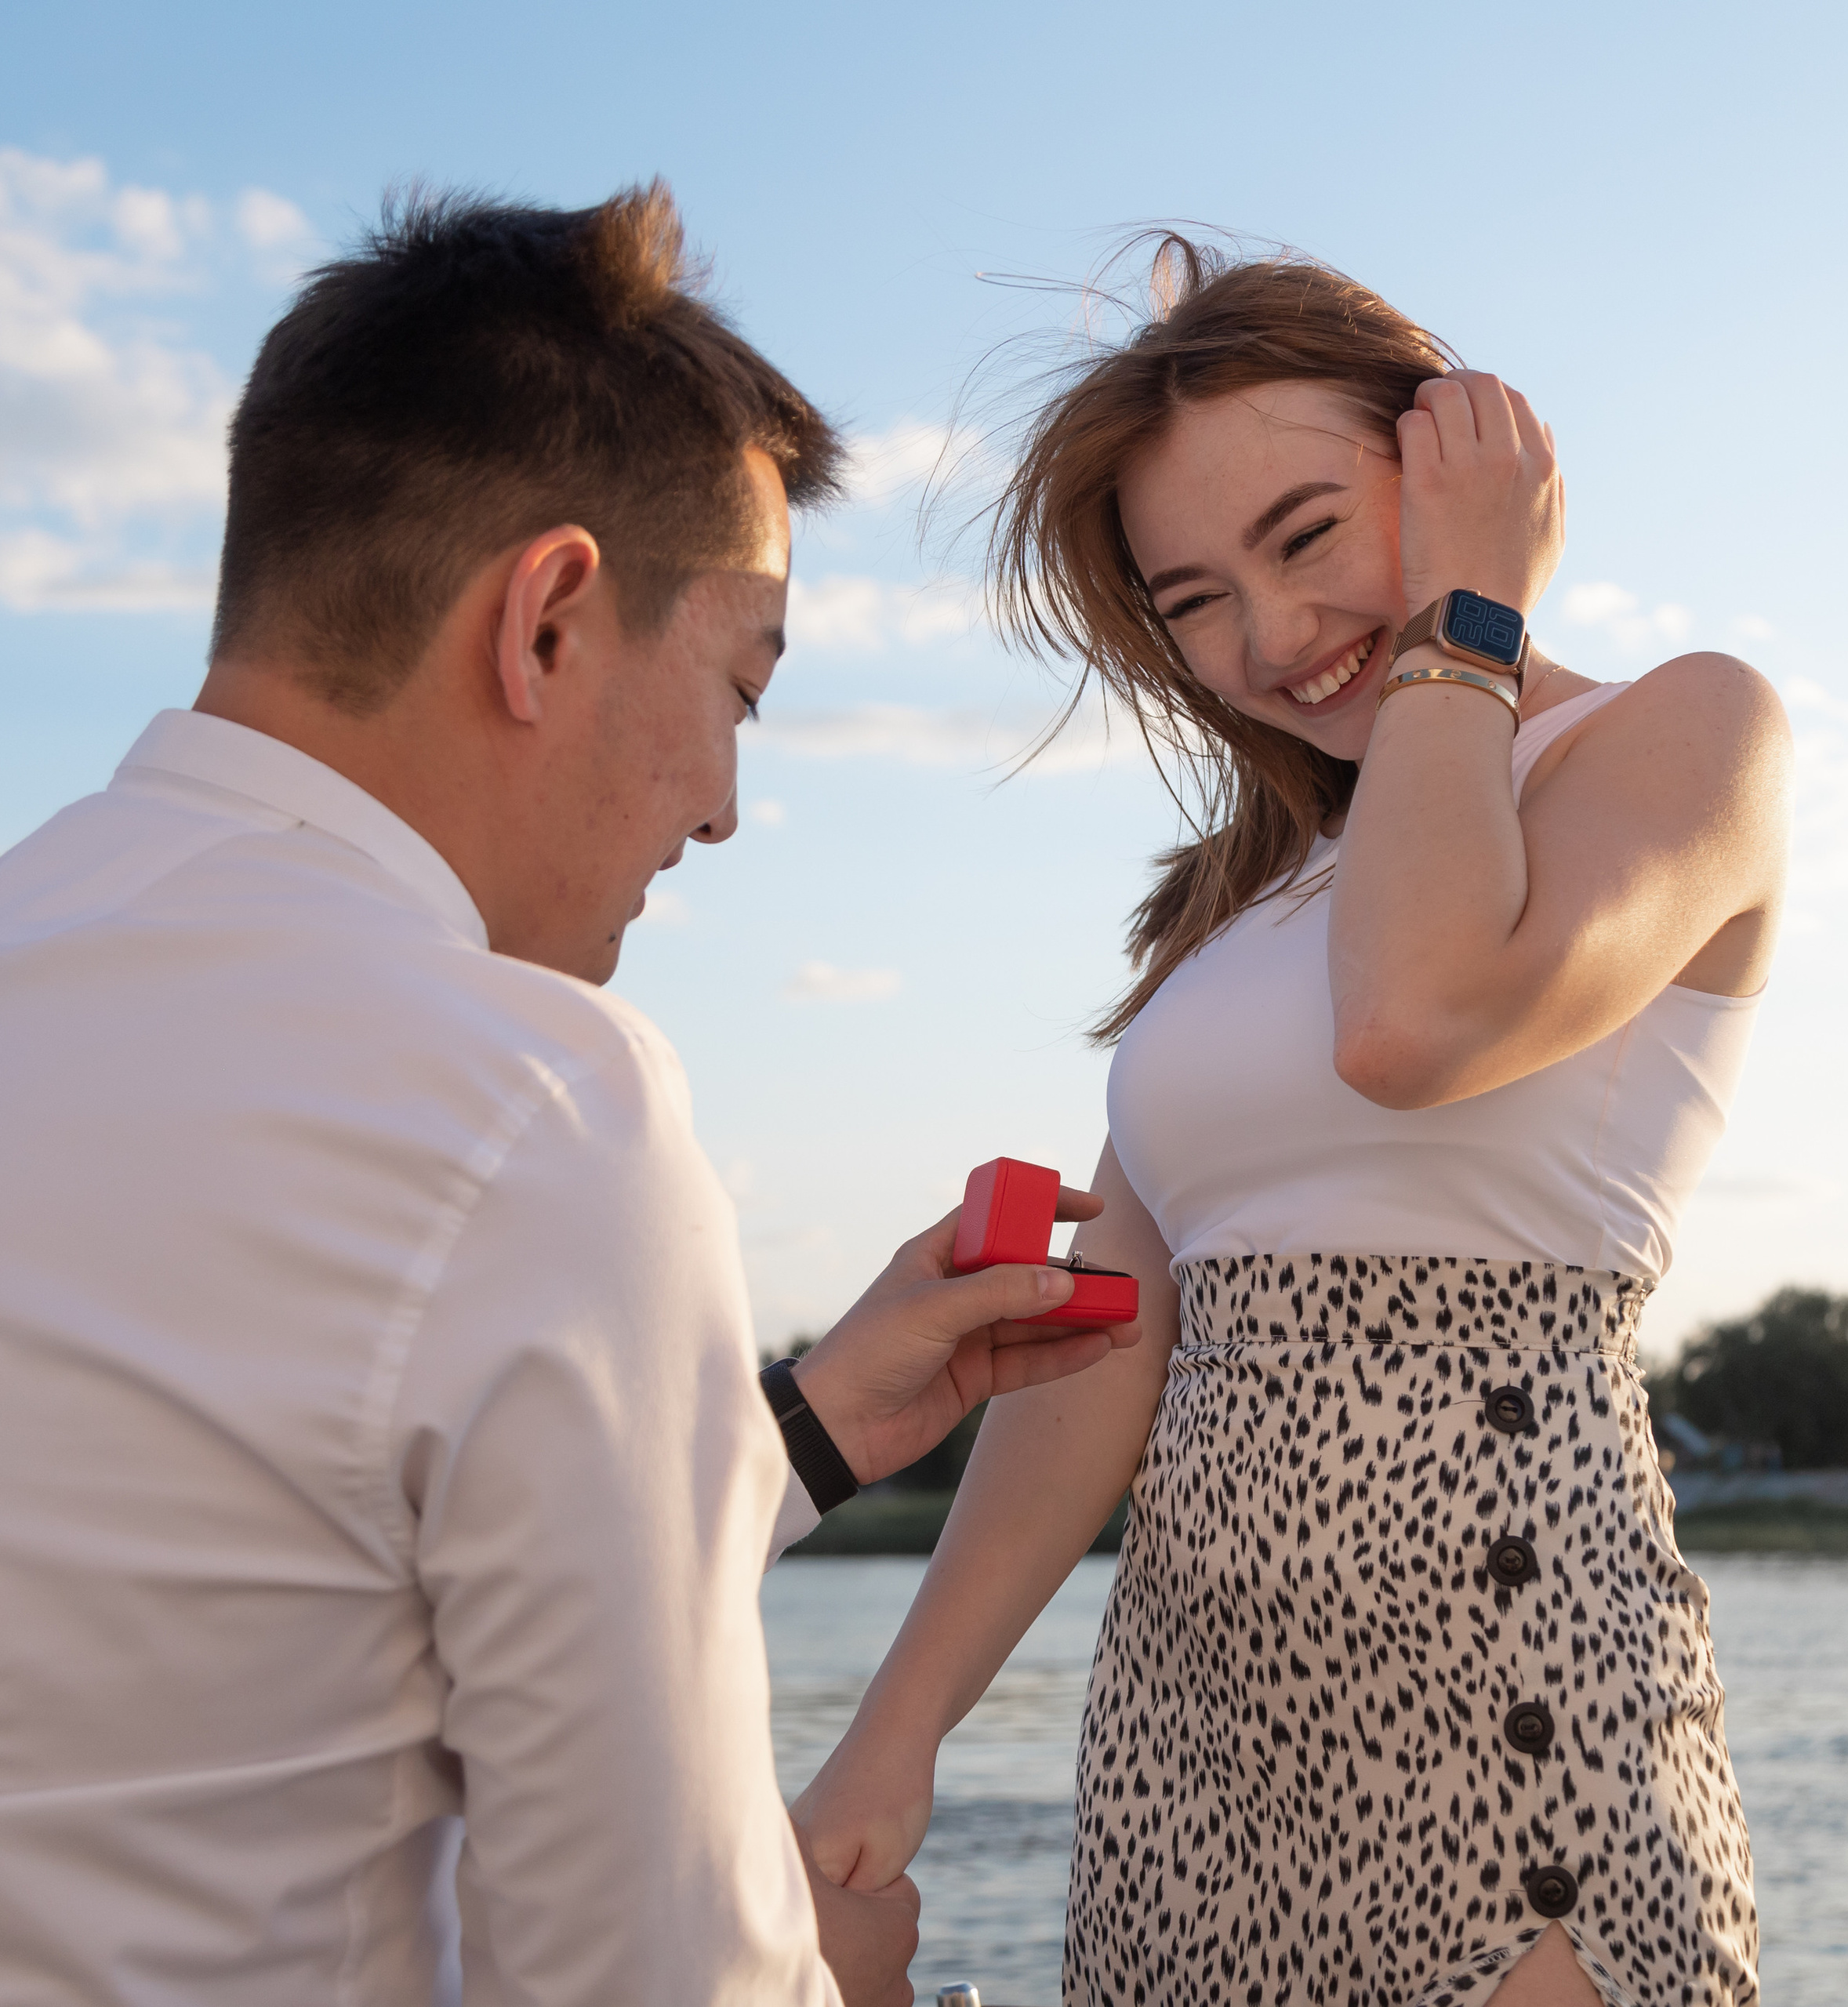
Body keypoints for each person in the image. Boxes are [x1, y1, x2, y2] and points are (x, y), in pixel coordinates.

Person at [0, 185, 1135, 2007]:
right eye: (742, 688)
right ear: (548, 620)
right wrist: (817, 1971)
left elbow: (264, 1560)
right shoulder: (530, 1103)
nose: (720, 808)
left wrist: (809, 1423)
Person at [792, 239, 1789, 2005]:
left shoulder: (1682, 733)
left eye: (1305, 535)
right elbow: (1104, 1345)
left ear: (1459, 457)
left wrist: (1466, 611)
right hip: (1189, 1735)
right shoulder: (1238, 900)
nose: (1263, 638)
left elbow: (1412, 1021)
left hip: (1514, 1699)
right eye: (1188, 598)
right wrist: (898, 1725)